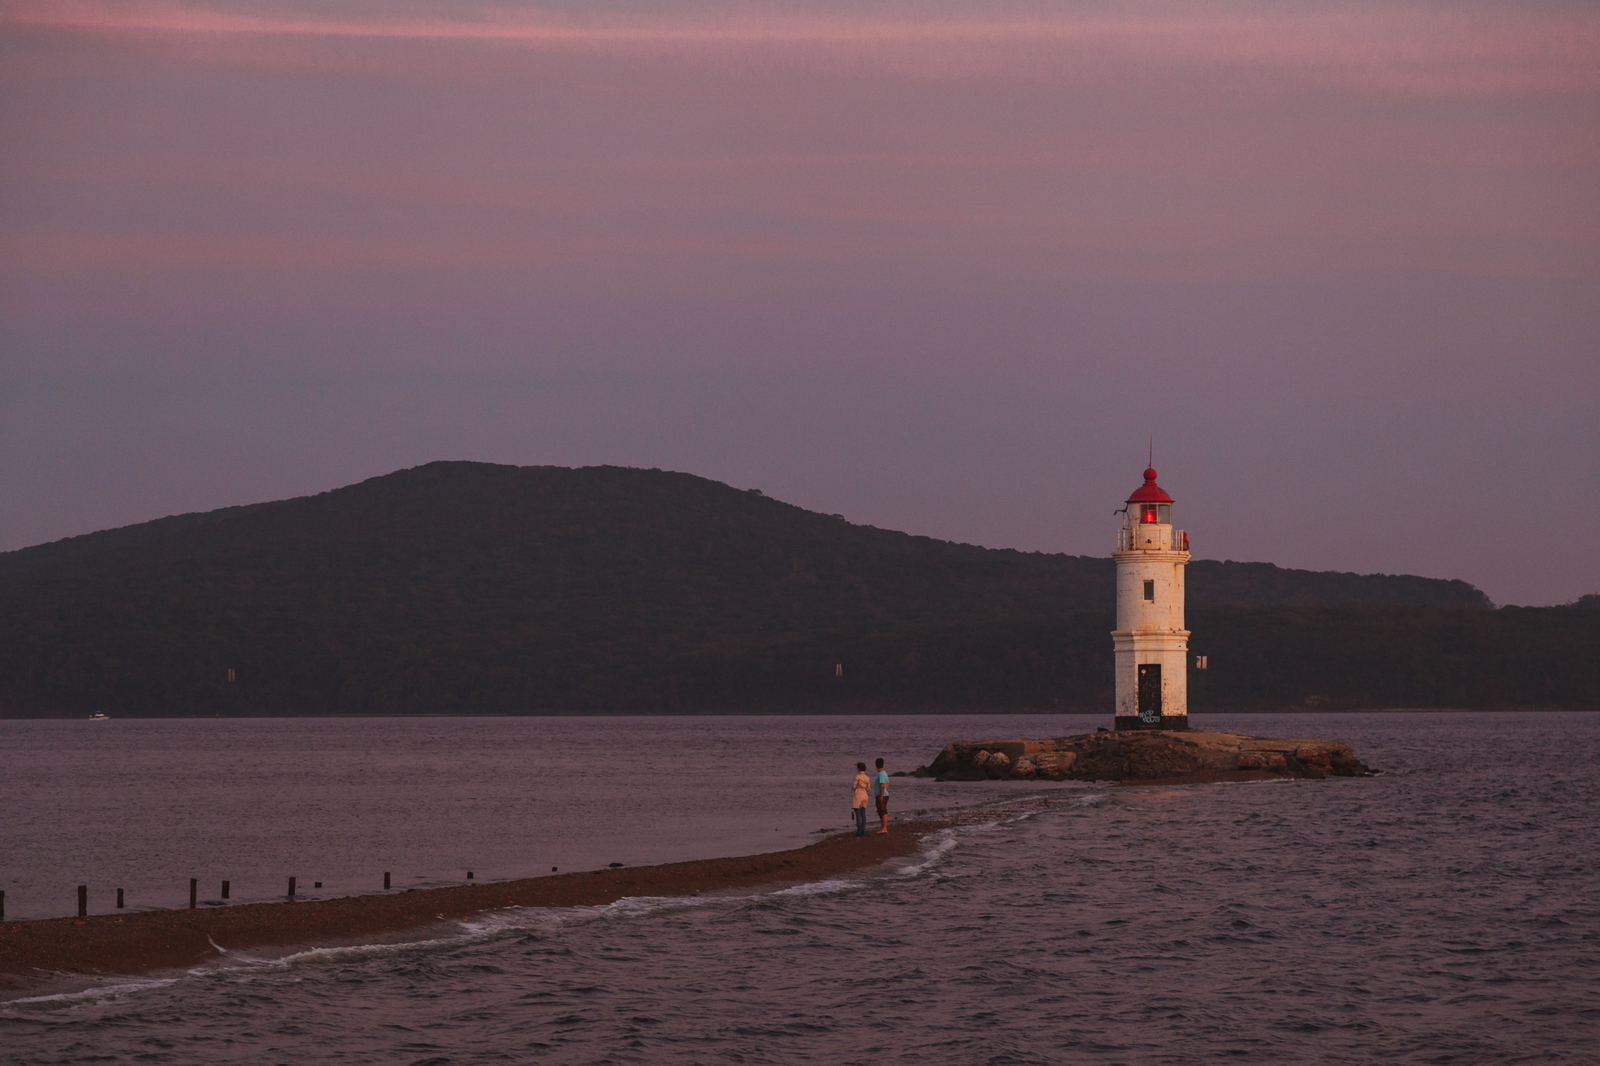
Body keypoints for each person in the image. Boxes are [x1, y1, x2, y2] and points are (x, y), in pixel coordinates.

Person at [851, 762, 870, 836]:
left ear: (858, 768)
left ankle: (858, 831)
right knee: (863, 813)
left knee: (858, 814)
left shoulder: (857, 776)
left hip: (858, 795)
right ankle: (863, 830)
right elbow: (868, 789)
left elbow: (853, 786)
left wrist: (853, 787)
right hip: (865, 795)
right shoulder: (867, 778)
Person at [873, 757, 889, 834]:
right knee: (880, 811)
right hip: (883, 794)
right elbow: (887, 783)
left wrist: (881, 795)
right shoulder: (884, 773)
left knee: (883, 811)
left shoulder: (881, 774)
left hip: (881, 795)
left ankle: (884, 828)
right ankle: (883, 827)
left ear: (876, 765)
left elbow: (882, 785)